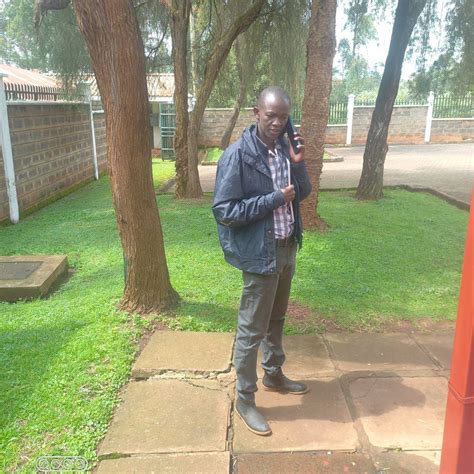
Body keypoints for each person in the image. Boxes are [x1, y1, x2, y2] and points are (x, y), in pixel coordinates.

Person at [212, 86, 312, 436]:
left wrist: (298, 164)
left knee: (277, 319)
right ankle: (245, 398)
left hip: (286, 247)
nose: (277, 122)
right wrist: (272, 199)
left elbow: (303, 192)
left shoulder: (284, 150)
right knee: (252, 329)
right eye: (271, 115)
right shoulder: (238, 155)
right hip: (259, 253)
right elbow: (224, 211)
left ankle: (273, 374)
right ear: (257, 113)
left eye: (283, 117)